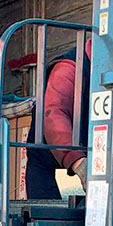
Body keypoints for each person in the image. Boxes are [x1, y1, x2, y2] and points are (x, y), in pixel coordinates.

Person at [25, 36, 92, 199]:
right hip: (48, 165)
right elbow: (53, 114)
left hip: (91, 156)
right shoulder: (69, 69)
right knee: (50, 221)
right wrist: (78, 162)